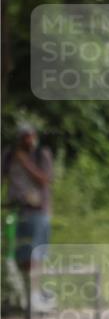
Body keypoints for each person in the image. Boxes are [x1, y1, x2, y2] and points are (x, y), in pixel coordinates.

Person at [3, 123, 54, 292]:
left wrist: (26, 163)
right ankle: (21, 291)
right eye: (24, 136)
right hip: (16, 209)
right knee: (18, 252)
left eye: (30, 136)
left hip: (38, 211)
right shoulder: (9, 155)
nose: (28, 140)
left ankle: (36, 292)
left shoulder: (41, 155)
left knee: (35, 254)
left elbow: (44, 180)